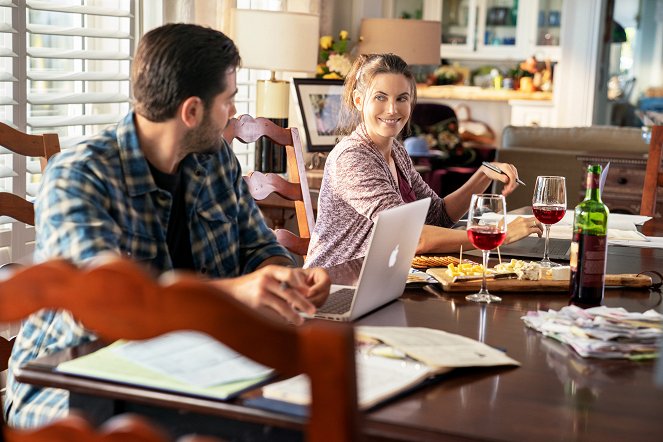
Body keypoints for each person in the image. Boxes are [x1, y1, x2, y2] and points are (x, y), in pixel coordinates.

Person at [5, 23, 330, 428]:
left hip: (198, 367)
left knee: (305, 416)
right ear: (191, 111)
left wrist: (283, 281)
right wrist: (236, 294)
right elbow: (100, 308)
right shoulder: (80, 176)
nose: (233, 114)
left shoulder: (216, 162)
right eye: (227, 101)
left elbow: (259, 248)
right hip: (74, 390)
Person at [305, 53, 542, 268]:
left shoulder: (397, 152)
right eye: (380, 97)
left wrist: (482, 174)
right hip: (332, 284)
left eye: (402, 98)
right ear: (358, 101)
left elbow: (438, 217)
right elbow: (412, 237)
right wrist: (497, 235)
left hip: (378, 281)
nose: (391, 109)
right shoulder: (352, 158)